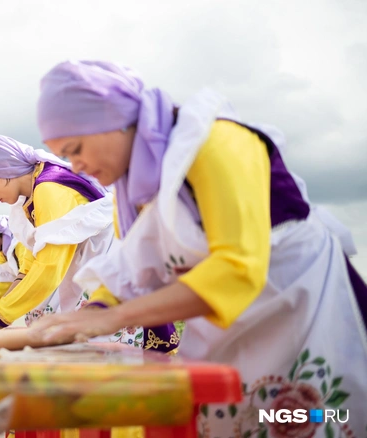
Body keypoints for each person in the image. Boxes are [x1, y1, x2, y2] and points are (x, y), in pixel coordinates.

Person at [31, 60, 367, 436]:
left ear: (115, 119)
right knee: (240, 419)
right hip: (234, 323)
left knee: (318, 418)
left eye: (75, 148)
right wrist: (92, 311)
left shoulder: (215, 141)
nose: (76, 165)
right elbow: (134, 271)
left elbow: (236, 269)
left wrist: (109, 319)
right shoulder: (135, 191)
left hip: (302, 303)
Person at [0, 134, 178, 352]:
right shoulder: (29, 199)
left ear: (3, 166)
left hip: (108, 269)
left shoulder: (49, 188)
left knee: (115, 358)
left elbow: (50, 267)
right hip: (94, 274)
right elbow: (28, 268)